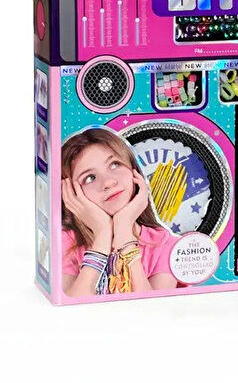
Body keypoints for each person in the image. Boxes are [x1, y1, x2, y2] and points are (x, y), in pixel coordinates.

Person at [61, 127, 178, 296]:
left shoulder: (164, 244)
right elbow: (72, 306)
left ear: (134, 170)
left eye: (114, 164)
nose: (108, 182)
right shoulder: (67, 242)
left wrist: (124, 232)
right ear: (71, 193)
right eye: (90, 178)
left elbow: (151, 308)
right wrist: (102, 233)